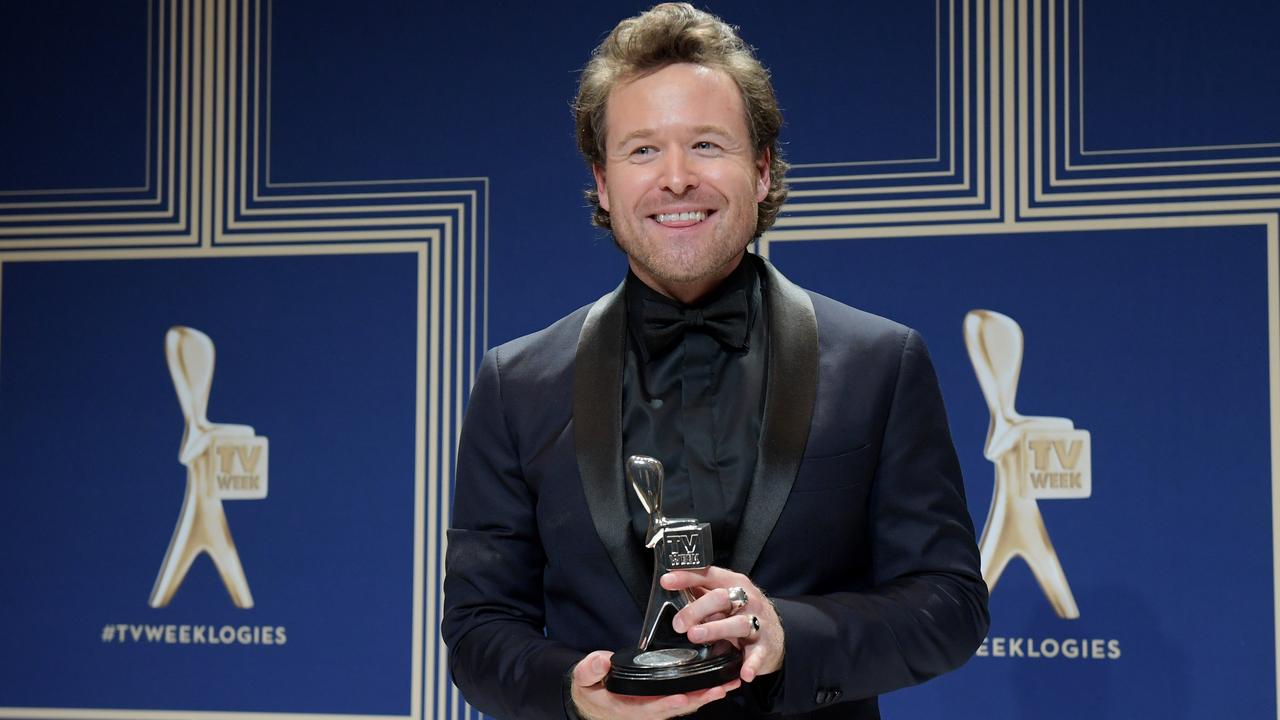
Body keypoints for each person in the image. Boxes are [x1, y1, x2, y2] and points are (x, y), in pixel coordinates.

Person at [442, 4, 989, 718]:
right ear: (604, 184)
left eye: (706, 145)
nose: (676, 179)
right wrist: (575, 693)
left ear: (761, 170)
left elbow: (948, 606)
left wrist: (789, 634)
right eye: (642, 151)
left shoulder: (881, 364)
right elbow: (478, 630)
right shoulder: (515, 386)